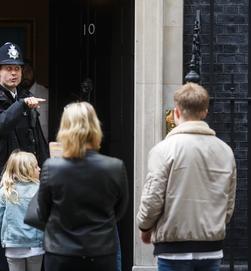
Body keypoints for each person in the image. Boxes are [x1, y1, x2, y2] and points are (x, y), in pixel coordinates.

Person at [136, 82, 237, 271]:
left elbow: (152, 198)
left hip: (173, 250)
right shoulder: (225, 151)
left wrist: (144, 227)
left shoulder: (163, 150)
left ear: (176, 112)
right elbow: (228, 205)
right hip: (211, 248)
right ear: (205, 113)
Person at [0, 42, 49, 271]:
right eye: (8, 68)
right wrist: (21, 105)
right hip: (3, 182)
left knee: (33, 242)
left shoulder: (26, 98)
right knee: (1, 236)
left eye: (17, 68)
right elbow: (0, 124)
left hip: (30, 183)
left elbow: (37, 138)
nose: (14, 73)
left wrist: (46, 171)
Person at [37, 102, 129, 271]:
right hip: (101, 252)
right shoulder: (115, 166)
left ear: (64, 128)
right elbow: (119, 211)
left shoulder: (51, 167)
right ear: (95, 127)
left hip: (61, 253)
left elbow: (42, 213)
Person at [0, 150, 45, 271]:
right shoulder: (41, 189)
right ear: (26, 170)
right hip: (36, 245)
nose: (39, 169)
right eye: (36, 166)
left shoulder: (6, 190)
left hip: (13, 246)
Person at [20, 59, 49, 141]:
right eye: (22, 73)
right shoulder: (15, 96)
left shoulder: (46, 93)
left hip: (45, 143)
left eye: (28, 72)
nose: (25, 76)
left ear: (34, 71)